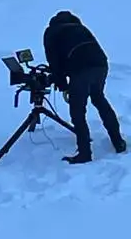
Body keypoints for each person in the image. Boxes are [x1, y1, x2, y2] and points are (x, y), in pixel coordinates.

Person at [43, 10, 126, 164]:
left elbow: (55, 62)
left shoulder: (52, 32)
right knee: (99, 98)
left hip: (81, 69)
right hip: (101, 64)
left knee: (77, 110)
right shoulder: (80, 28)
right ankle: (118, 141)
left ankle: (84, 154)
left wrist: (62, 84)